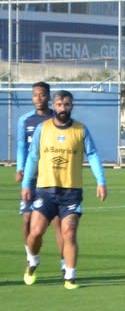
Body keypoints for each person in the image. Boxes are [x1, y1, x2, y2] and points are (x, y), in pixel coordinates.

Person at [21, 90, 108, 290]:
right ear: (54, 105)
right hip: (45, 190)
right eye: (59, 105)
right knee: (35, 233)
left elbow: (93, 155)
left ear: (72, 106)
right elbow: (33, 157)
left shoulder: (80, 130)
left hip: (71, 192)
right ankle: (32, 261)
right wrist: (26, 183)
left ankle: (70, 277)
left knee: (69, 232)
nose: (63, 109)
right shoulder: (43, 129)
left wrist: (100, 181)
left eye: (67, 105)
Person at [15, 82, 64, 272]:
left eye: (42, 95)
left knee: (58, 222)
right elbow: (22, 146)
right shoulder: (25, 120)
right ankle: (31, 258)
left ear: (48, 96)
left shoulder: (57, 119)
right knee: (27, 219)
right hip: (31, 177)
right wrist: (20, 168)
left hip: (52, 178)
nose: (38, 98)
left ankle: (64, 263)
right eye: (35, 95)